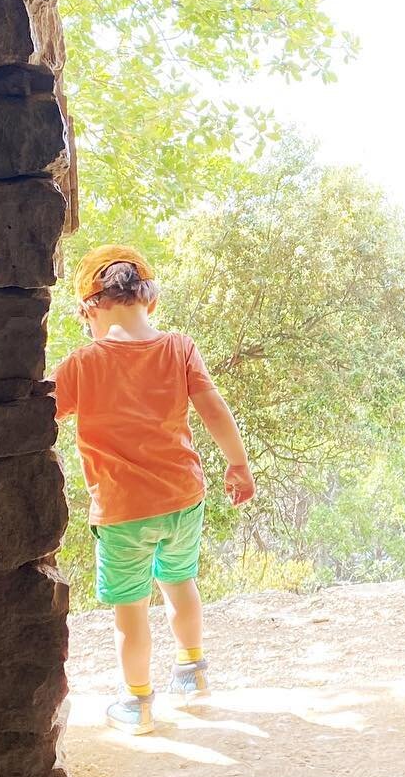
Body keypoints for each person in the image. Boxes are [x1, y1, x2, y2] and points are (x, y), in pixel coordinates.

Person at [53, 244, 255, 734]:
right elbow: (213, 410)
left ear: (90, 308)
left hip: (123, 510)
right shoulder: (179, 348)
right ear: (150, 300)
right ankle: (191, 673)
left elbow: (38, 416)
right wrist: (238, 464)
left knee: (131, 608)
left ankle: (138, 702)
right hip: (183, 499)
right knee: (180, 583)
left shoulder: (81, 365)